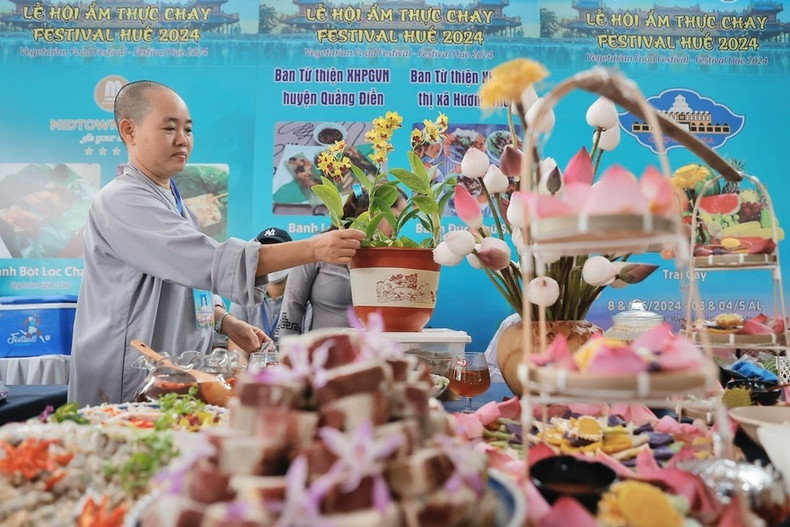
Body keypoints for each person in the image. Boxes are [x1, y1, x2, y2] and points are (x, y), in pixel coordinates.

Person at [68, 80, 364, 406]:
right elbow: (208, 263)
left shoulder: (175, 204)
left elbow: (192, 283)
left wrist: (225, 322)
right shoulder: (122, 200)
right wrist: (313, 249)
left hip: (172, 377)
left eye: (188, 130)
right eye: (170, 128)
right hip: (129, 377)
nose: (183, 140)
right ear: (129, 131)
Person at [278, 188, 406, 336]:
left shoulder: (392, 257)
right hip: (324, 356)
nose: (398, 228)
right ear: (376, 213)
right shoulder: (319, 248)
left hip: (373, 357)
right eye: (396, 219)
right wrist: (287, 354)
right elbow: (292, 306)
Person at [227, 227, 293, 347]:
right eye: (264, 255)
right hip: (253, 364)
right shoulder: (244, 294)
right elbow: (236, 347)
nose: (271, 260)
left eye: (278, 253)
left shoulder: (304, 296)